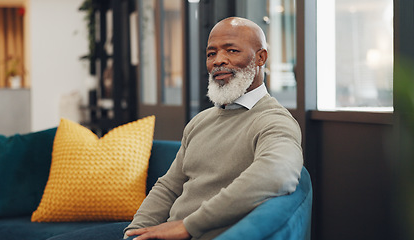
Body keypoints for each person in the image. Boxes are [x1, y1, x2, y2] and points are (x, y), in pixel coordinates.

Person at [124, 17, 304, 240]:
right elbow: (168, 188)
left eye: (232, 51)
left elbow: (277, 175)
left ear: (261, 57)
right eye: (211, 54)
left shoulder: (274, 120)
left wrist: (188, 226)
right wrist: (135, 232)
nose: (218, 61)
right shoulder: (200, 121)